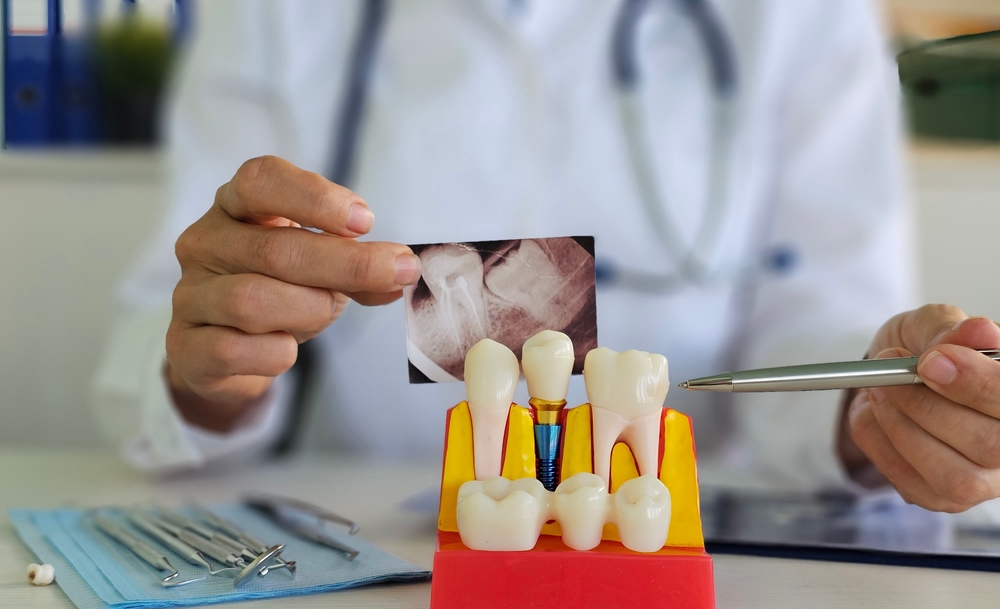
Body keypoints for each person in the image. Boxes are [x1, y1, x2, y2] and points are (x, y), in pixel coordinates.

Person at [92, 0, 1000, 513]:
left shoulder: (803, 19)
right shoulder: (272, 17)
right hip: (382, 557)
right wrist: (210, 368)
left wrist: (881, 408)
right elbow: (167, 330)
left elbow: (822, 329)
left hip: (709, 557)